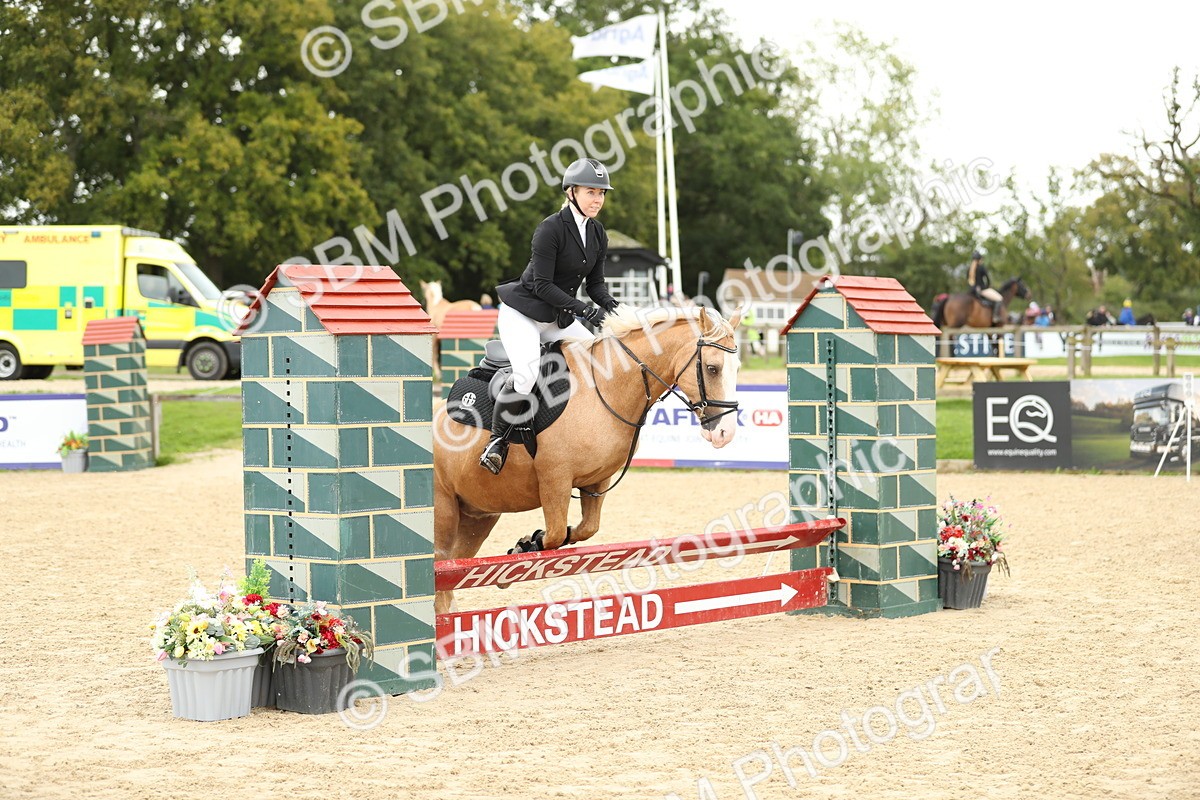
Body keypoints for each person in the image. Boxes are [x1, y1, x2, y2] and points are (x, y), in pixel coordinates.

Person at [480, 157, 620, 475]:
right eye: (590, 192)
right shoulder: (550, 229)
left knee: (597, 360)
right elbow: (542, 285)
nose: (598, 199)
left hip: (557, 320)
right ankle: (496, 443)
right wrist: (583, 310)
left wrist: (615, 308)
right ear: (571, 192)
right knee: (527, 376)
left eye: (602, 193)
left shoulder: (597, 233)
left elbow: (596, 286)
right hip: (523, 315)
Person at [967, 250, 1003, 324]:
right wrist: (987, 286)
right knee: (999, 299)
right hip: (982, 290)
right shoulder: (981, 267)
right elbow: (988, 279)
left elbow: (969, 281)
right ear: (979, 259)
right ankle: (995, 317)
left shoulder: (969, 269)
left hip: (972, 291)